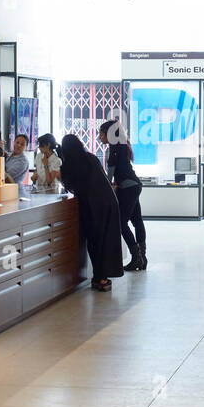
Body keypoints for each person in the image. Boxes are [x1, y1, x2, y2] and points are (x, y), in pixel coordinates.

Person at [58, 133, 123, 291]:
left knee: (95, 242)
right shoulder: (90, 157)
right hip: (109, 202)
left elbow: (70, 186)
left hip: (92, 206)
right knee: (107, 241)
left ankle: (100, 278)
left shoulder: (69, 164)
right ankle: (103, 277)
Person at [99, 119, 146, 271]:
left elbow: (109, 176)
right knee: (137, 221)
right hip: (134, 185)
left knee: (121, 223)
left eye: (102, 133)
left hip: (128, 188)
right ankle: (142, 257)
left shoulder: (113, 149)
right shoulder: (122, 146)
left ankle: (136, 257)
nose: (100, 136)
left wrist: (105, 187)